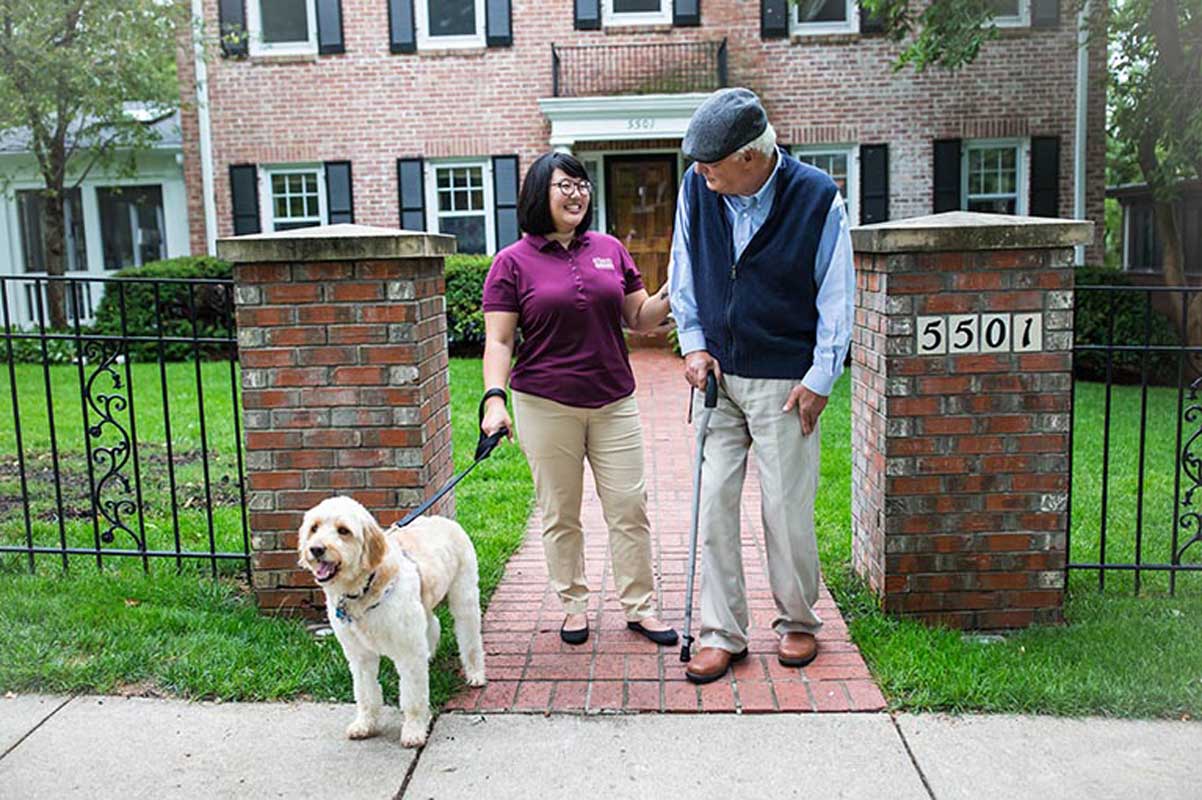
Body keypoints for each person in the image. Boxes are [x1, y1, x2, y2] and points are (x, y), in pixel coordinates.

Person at [668, 88, 855, 683]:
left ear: (751, 156)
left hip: (786, 381)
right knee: (713, 504)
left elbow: (837, 295)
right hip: (718, 377)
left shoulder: (817, 197)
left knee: (786, 509)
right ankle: (722, 633)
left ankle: (798, 620)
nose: (700, 171)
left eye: (711, 161)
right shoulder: (699, 189)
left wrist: (821, 377)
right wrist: (694, 344)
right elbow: (683, 270)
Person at [480, 151, 678, 646]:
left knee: (630, 506)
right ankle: (573, 605)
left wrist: (676, 291)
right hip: (545, 404)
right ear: (538, 194)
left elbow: (640, 316)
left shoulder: (609, 247)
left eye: (583, 184)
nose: (577, 193)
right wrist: (493, 399)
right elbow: (500, 341)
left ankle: (640, 607)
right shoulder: (511, 263)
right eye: (565, 185)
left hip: (614, 400)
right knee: (560, 512)